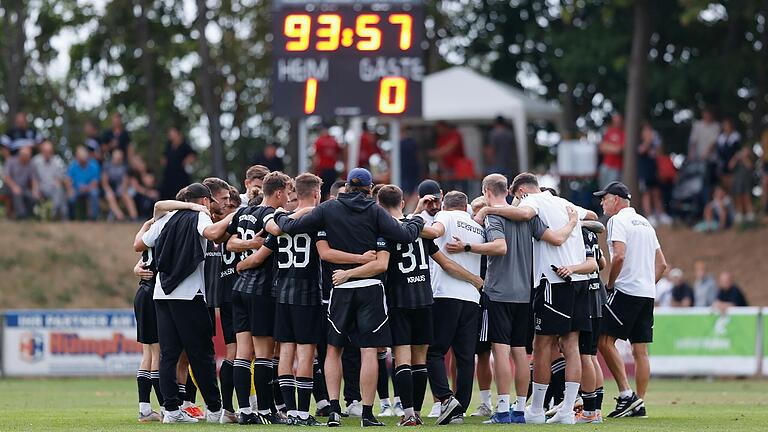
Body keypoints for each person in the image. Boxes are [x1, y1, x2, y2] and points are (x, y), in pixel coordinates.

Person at [272, 168, 425, 427]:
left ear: (347, 187)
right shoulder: (375, 211)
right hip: (371, 288)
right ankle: (366, 413)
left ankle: (333, 410)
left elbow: (290, 226)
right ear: (368, 188)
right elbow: (406, 235)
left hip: (339, 287)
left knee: (333, 350)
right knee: (368, 351)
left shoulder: (328, 209)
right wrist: (418, 219)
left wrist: (279, 214)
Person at [474, 173, 597, 425]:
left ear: (520, 192)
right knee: (571, 345)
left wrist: (487, 210)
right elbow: (594, 219)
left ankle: (538, 409)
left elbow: (525, 215)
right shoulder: (565, 203)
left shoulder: (534, 202)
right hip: (579, 279)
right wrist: (575, 221)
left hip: (552, 279)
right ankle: (565, 412)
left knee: (541, 345)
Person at [377, 185, 483, 426]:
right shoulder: (419, 231)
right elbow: (445, 263)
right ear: (402, 202)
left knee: (402, 357)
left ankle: (410, 414)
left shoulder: (385, 231)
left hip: (399, 299)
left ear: (380, 207)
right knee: (420, 359)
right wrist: (475, 279)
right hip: (424, 299)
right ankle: (441, 403)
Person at [136, 183, 224, 423]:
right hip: (190, 294)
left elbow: (143, 243)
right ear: (204, 201)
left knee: (168, 355)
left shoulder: (164, 220)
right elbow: (212, 235)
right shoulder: (199, 217)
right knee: (202, 355)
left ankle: (171, 411)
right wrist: (233, 218)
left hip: (162, 293)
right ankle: (215, 409)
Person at [245, 173, 326, 426]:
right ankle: (302, 413)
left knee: (286, 353)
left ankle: (289, 412)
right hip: (307, 292)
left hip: (282, 293)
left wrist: (240, 265)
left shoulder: (279, 218)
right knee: (305, 354)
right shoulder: (318, 218)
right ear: (315, 194)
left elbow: (262, 253)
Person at [595, 181, 667, 419]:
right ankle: (640, 404)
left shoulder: (617, 221)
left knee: (604, 341)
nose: (601, 202)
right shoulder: (647, 223)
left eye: (604, 198)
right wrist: (647, 283)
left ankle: (627, 395)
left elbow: (619, 256)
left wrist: (611, 283)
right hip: (647, 293)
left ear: (616, 199)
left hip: (626, 290)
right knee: (640, 351)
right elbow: (662, 265)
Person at [410, 191, 483, 426]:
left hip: (446, 294)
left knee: (434, 351)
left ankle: (446, 398)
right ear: (466, 206)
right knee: (465, 357)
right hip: (472, 297)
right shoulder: (477, 228)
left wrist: (413, 220)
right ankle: (459, 409)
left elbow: (435, 232)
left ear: (445, 205)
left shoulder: (446, 217)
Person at [638, 122, 670, 226]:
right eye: (646, 131)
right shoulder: (640, 142)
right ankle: (649, 215)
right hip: (644, 172)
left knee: (657, 193)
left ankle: (660, 214)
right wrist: (648, 141)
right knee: (646, 194)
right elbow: (641, 151)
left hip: (654, 171)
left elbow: (660, 153)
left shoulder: (655, 143)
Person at [31, 140, 69, 220]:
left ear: (52, 152)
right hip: (40, 187)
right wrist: (35, 190)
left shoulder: (58, 162)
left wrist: (59, 182)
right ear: (42, 151)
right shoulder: (35, 161)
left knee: (59, 190)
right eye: (45, 151)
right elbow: (34, 178)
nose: (47, 153)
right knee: (32, 194)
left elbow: (62, 178)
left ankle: (57, 216)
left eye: (49, 151)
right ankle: (36, 216)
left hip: (53, 187)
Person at [160, 126, 197, 200]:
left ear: (178, 134)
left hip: (180, 175)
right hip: (169, 176)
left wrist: (187, 161)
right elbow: (164, 157)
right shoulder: (168, 146)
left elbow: (193, 155)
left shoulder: (184, 145)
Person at [3, 145, 40, 219]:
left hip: (24, 188)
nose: (28, 158)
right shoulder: (11, 161)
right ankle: (21, 215)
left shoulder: (31, 164)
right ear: (21, 155)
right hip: (10, 187)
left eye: (29, 156)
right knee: (17, 193)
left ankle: (29, 215)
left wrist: (34, 191)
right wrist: (14, 186)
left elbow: (34, 180)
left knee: (33, 197)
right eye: (26, 156)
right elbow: (6, 177)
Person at [102, 148, 138, 221]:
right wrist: (109, 190)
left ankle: (134, 217)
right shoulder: (107, 165)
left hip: (120, 187)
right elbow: (104, 182)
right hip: (109, 187)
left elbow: (125, 180)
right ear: (113, 156)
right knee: (110, 196)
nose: (118, 159)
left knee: (126, 196)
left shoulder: (124, 166)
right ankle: (120, 217)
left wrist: (123, 189)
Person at [67, 146, 101, 220]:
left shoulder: (94, 165)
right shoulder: (73, 165)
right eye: (81, 159)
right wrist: (70, 189)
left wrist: (87, 188)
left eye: (84, 158)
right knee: (71, 196)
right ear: (77, 158)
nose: (83, 161)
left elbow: (95, 182)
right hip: (76, 189)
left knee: (94, 193)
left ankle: (93, 218)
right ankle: (71, 218)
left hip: (90, 188)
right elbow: (68, 180)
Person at [312, 125, 341, 199]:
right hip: (331, 169)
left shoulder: (319, 141)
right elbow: (339, 153)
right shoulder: (334, 141)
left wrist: (314, 170)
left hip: (323, 170)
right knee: (331, 190)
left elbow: (316, 156)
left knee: (322, 190)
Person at [728, 145, 755, 224]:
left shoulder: (749, 159)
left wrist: (744, 158)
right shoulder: (737, 159)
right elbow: (730, 166)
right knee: (738, 197)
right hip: (738, 181)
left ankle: (750, 214)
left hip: (746, 181)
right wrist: (736, 157)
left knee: (747, 196)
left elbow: (750, 167)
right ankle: (740, 214)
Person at [598, 113, 625, 189]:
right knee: (602, 189)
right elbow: (602, 147)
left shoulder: (623, 133)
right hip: (605, 165)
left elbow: (619, 150)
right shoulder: (609, 131)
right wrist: (613, 147)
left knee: (611, 190)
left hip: (616, 167)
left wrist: (608, 146)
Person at [713, 118, 741, 189]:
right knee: (724, 184)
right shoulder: (721, 137)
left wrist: (734, 160)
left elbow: (737, 150)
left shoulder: (736, 136)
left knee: (733, 184)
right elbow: (719, 152)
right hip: (723, 163)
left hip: (733, 163)